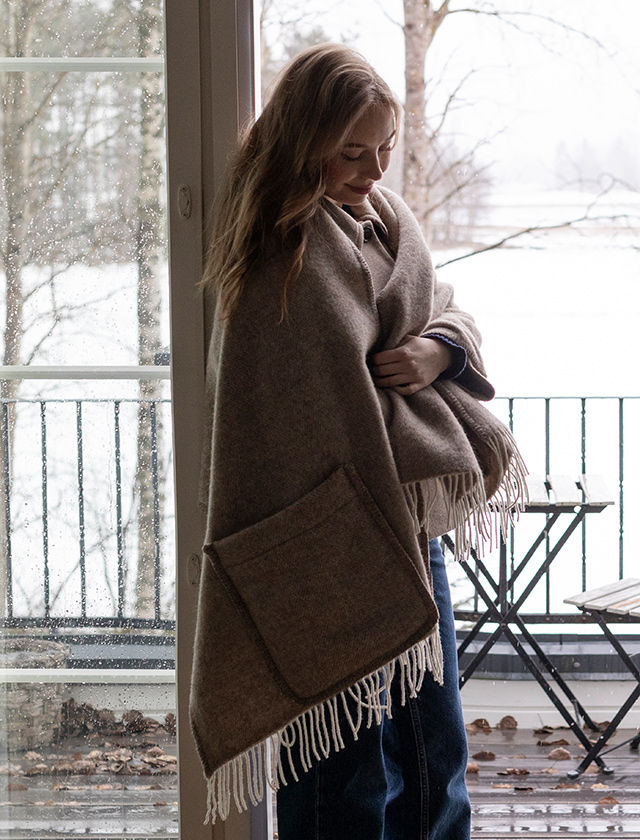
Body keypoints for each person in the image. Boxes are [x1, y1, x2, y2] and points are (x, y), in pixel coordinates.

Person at [190, 43, 526, 839]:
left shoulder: (388, 224)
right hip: (315, 545)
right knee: (346, 775)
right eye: (352, 152)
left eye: (384, 149)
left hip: (407, 527)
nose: (374, 169)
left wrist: (438, 349)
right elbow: (273, 415)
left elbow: (446, 307)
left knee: (435, 751)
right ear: (304, 140)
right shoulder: (277, 249)